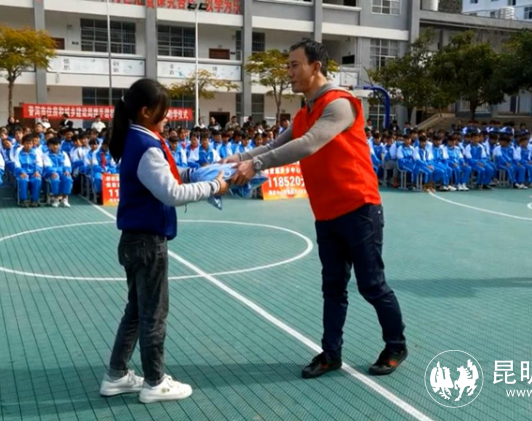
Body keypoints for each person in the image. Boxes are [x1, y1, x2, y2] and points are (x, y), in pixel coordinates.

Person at [226, 39, 408, 378]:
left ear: (316, 66)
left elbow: (308, 144)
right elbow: (274, 145)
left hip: (359, 208)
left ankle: (396, 345)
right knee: (333, 288)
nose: (289, 72)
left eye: (295, 65)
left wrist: (256, 165)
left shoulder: (340, 104)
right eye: (288, 65)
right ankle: (331, 353)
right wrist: (236, 159)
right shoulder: (303, 113)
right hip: (326, 214)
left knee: (372, 285)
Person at [99, 78, 228, 404]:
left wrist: (194, 173)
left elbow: (164, 176)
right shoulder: (146, 145)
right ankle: (154, 382)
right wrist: (214, 187)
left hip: (134, 241)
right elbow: (171, 193)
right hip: (147, 243)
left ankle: (116, 375)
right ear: (146, 111)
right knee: (153, 314)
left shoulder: (138, 138)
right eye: (164, 111)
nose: (168, 117)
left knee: (136, 311)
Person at [14, 134, 43, 207]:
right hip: (22, 172)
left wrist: (37, 171)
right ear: (23, 143)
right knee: (23, 180)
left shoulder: (36, 152)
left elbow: (39, 163)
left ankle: (35, 200)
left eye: (30, 143)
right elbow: (17, 163)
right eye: (27, 143)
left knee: (37, 180)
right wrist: (21, 172)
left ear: (33, 144)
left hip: (33, 172)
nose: (29, 145)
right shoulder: (18, 152)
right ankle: (24, 200)